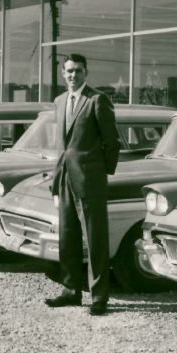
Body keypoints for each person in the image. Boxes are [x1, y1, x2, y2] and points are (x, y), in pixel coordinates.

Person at [44, 54, 120, 316]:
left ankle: (99, 297)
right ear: (63, 74)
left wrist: (100, 173)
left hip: (90, 180)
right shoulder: (59, 101)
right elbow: (61, 147)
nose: (73, 75)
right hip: (65, 177)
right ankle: (70, 290)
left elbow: (112, 142)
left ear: (86, 73)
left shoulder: (98, 100)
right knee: (67, 237)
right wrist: (56, 181)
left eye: (77, 71)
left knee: (95, 239)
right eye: (68, 71)